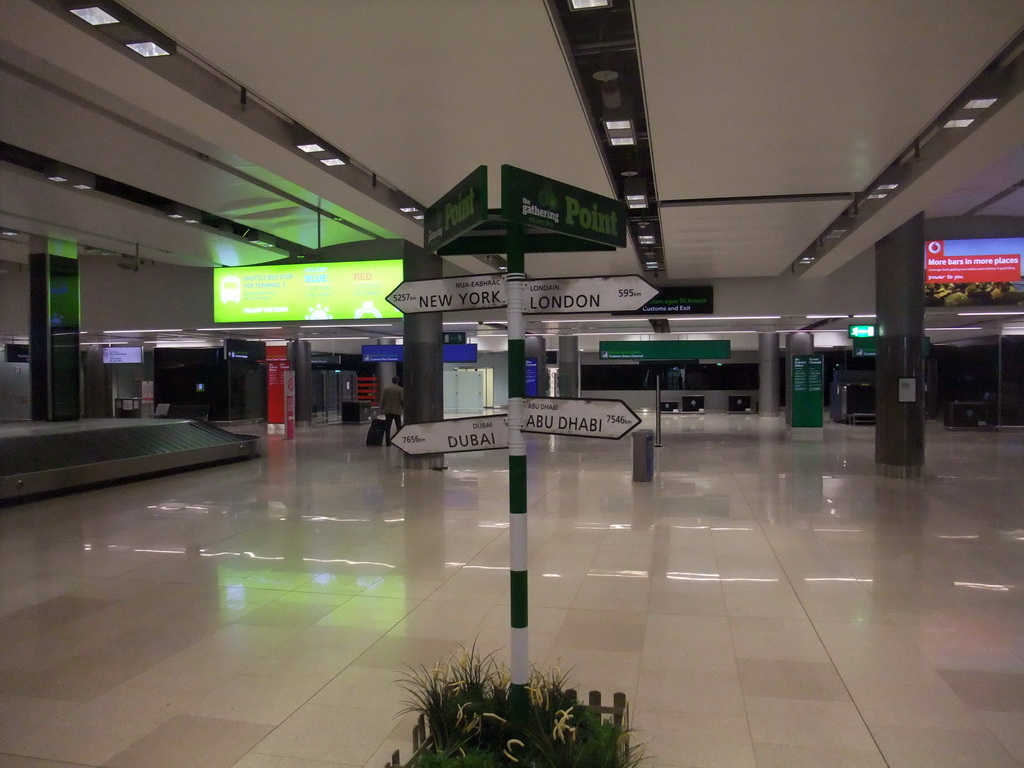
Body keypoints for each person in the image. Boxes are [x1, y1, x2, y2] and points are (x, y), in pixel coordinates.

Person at [378, 376, 404, 446]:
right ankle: (399, 441)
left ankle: (388, 442)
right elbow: (402, 399)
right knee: (398, 426)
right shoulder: (400, 389)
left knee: (388, 426)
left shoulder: (386, 389)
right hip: (397, 410)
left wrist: (381, 409)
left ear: (392, 381)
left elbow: (383, 399)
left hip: (388, 410)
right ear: (398, 381)